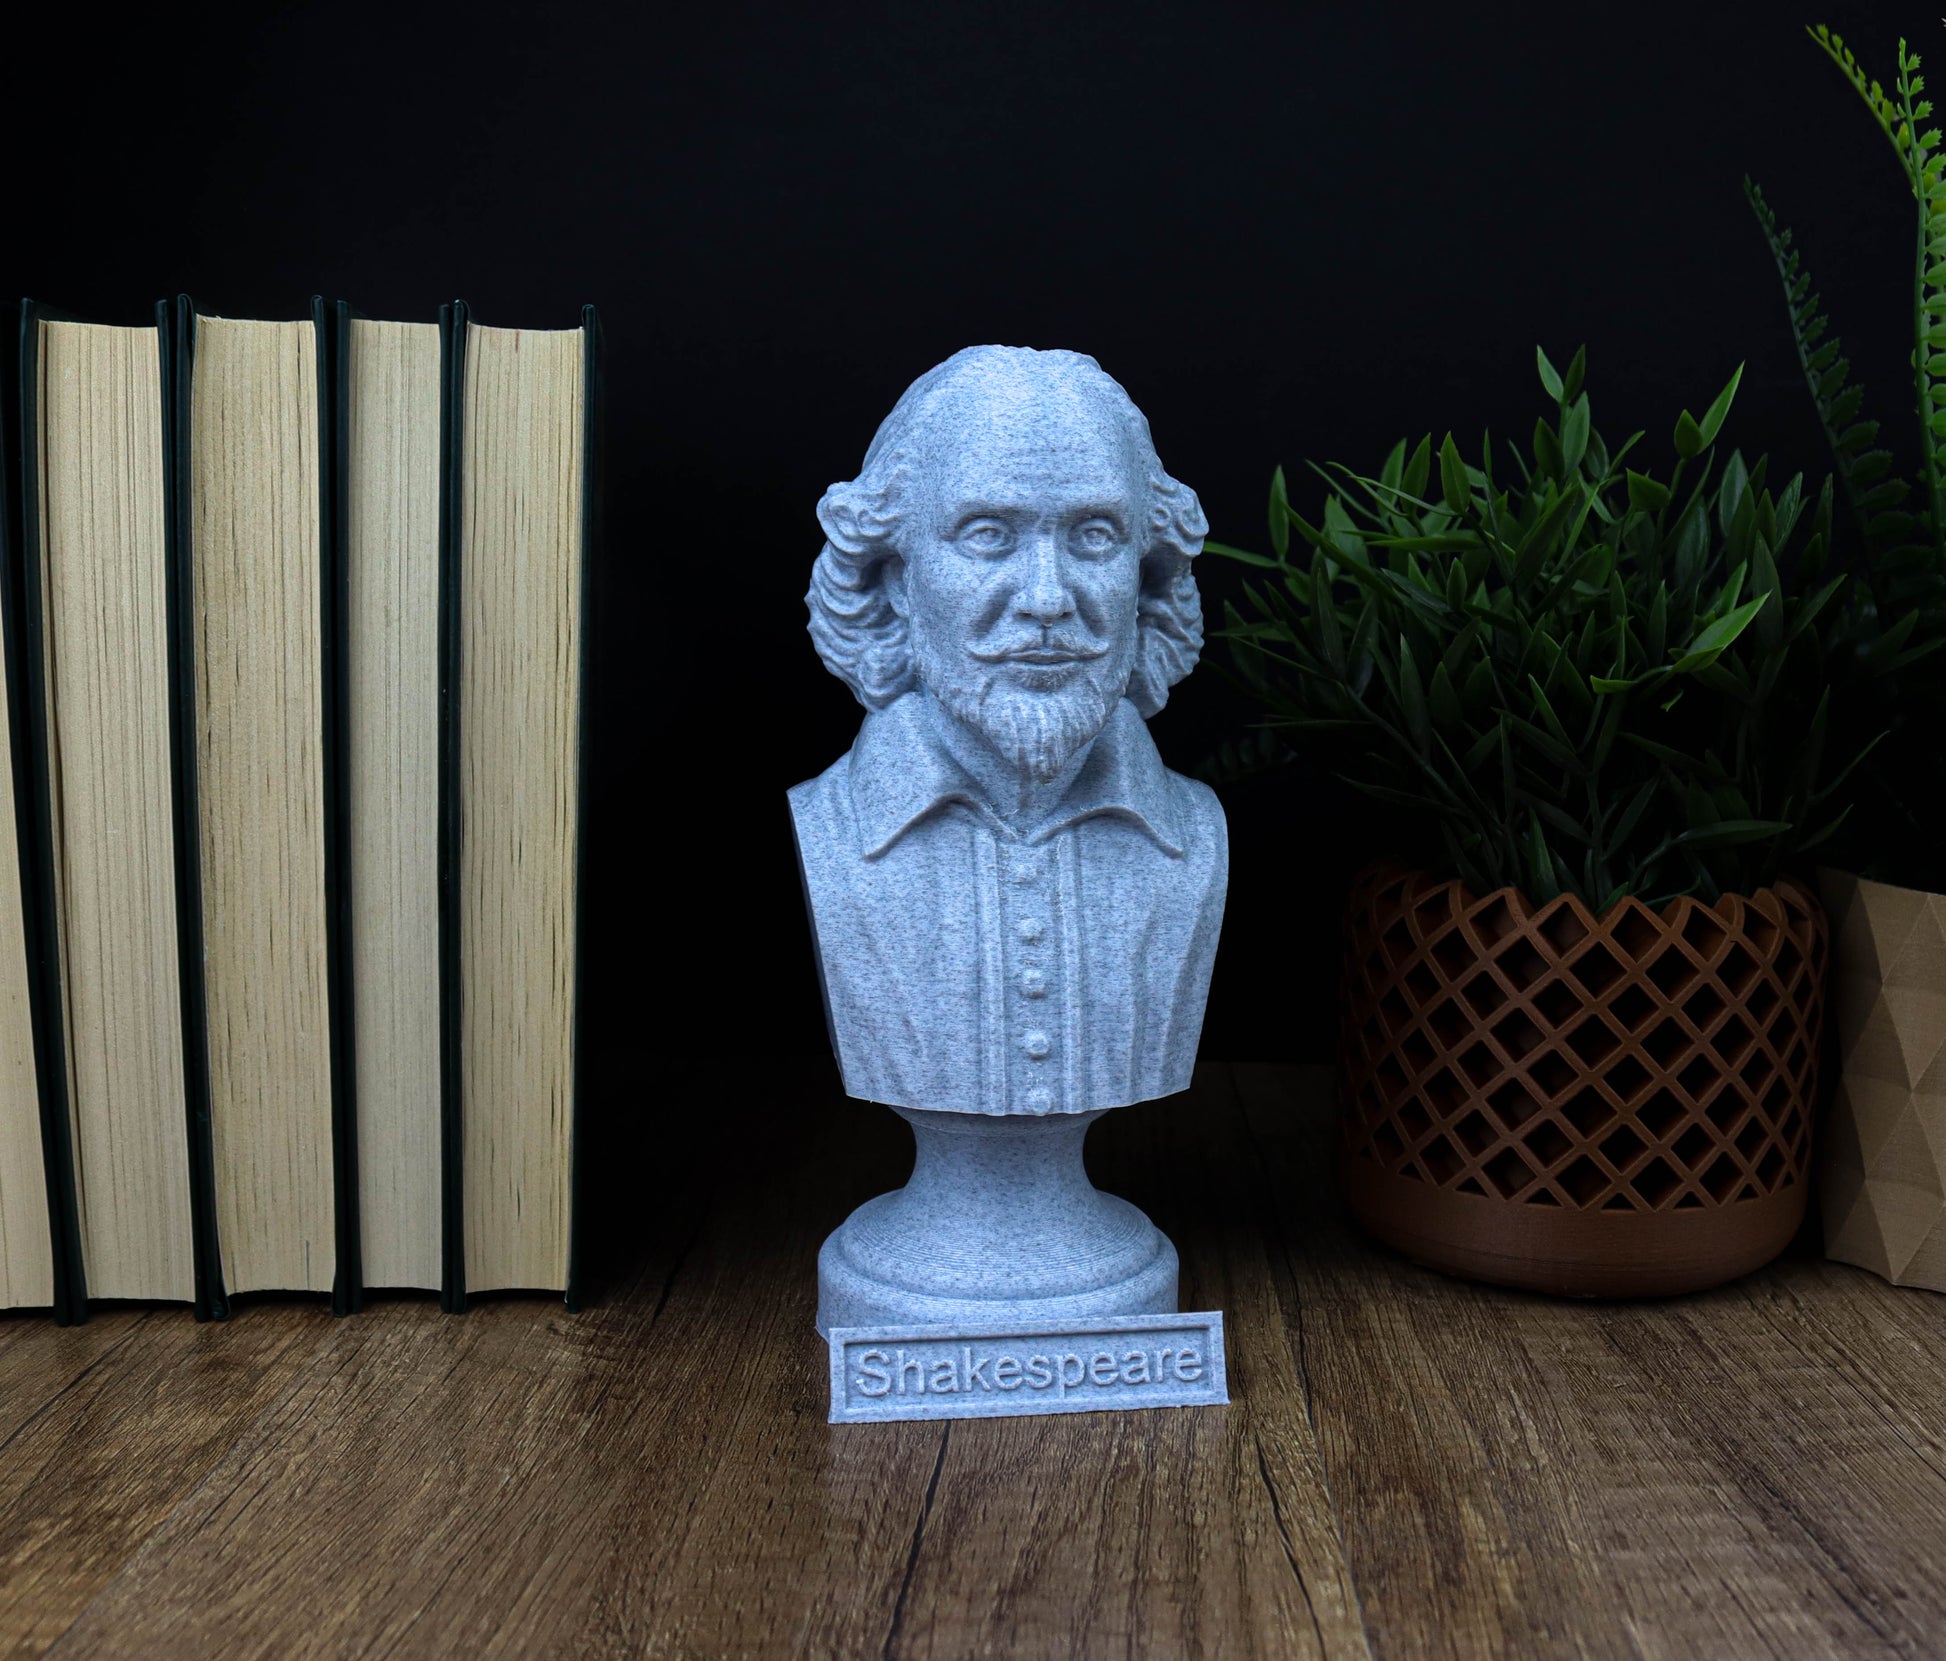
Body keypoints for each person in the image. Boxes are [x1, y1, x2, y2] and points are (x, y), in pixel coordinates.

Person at [790, 345, 1227, 1117]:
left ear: (1146, 570)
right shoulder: (830, 830)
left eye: (1094, 535)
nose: (1048, 598)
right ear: (895, 576)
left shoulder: (1196, 836)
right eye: (988, 533)